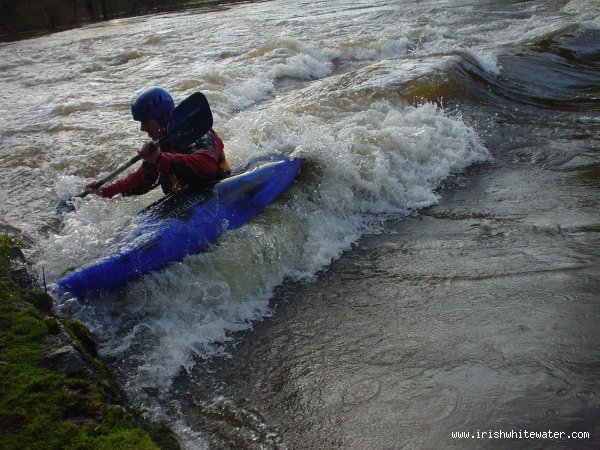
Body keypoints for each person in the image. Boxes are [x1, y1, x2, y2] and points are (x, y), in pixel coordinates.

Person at [86, 86, 231, 198]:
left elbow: (208, 165)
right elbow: (144, 179)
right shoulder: (161, 145)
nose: (142, 128)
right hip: (188, 195)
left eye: (146, 121)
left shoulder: (197, 133)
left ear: (164, 116)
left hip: (218, 186)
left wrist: (160, 158)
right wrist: (106, 191)